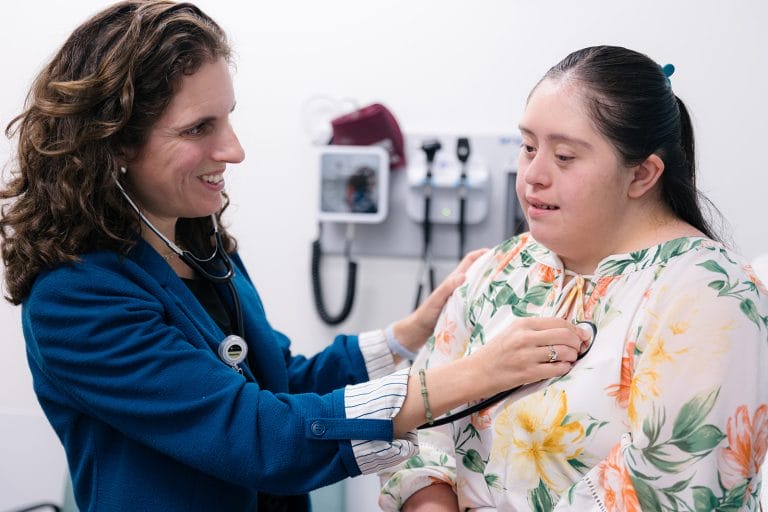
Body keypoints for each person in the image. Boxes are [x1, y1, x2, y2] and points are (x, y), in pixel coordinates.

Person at [0, 2, 592, 511]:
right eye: (199, 128)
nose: (233, 149)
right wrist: (474, 374)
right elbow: (260, 436)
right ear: (117, 142)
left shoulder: (199, 243)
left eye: (228, 117)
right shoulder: (75, 298)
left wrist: (414, 331)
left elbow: (278, 381)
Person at [379, 45, 768, 511]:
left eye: (564, 156)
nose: (532, 176)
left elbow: (665, 492)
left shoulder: (709, 297)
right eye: (527, 147)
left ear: (643, 174)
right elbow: (420, 429)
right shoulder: (500, 269)